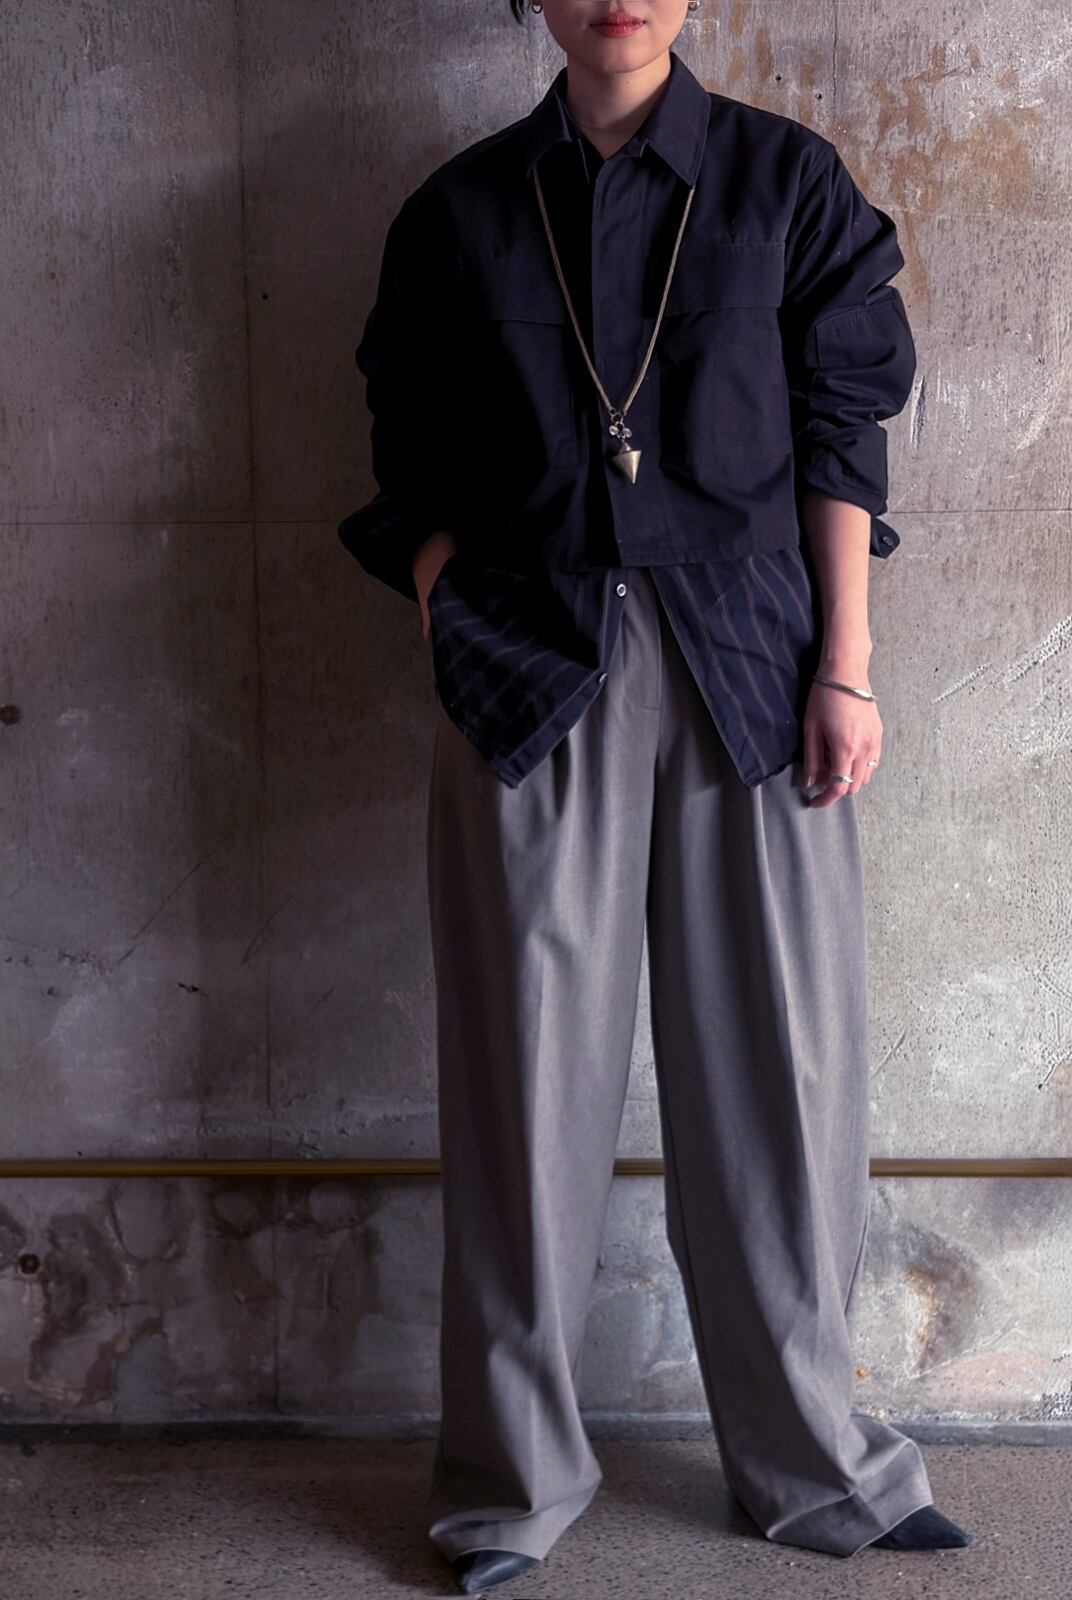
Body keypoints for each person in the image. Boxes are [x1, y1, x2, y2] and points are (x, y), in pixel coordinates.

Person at [338, 3, 972, 1592]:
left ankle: (815, 1463)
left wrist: (847, 667)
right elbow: (404, 446)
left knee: (784, 1081)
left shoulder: (785, 182)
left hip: (755, 672)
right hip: (528, 677)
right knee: (522, 1087)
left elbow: (844, 431)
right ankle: (509, 1483)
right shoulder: (460, 211)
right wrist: (452, 606)